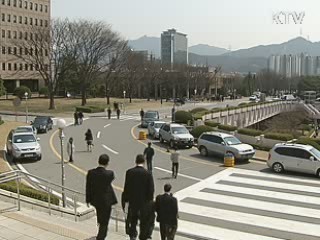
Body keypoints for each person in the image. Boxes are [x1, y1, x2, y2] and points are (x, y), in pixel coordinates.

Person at [122, 154, 155, 240]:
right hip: (144, 203)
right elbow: (151, 190)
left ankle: (133, 236)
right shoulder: (148, 173)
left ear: (135, 161)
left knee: (133, 220)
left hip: (133, 202)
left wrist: (125, 201)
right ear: (144, 162)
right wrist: (149, 202)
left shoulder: (129, 172)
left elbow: (126, 188)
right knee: (144, 222)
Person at [86, 154, 117, 240]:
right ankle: (100, 237)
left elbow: (88, 187)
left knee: (100, 218)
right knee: (105, 222)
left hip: (95, 200)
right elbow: (112, 177)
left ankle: (100, 234)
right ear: (107, 163)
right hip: (107, 201)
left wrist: (88, 199)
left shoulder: (91, 173)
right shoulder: (109, 174)